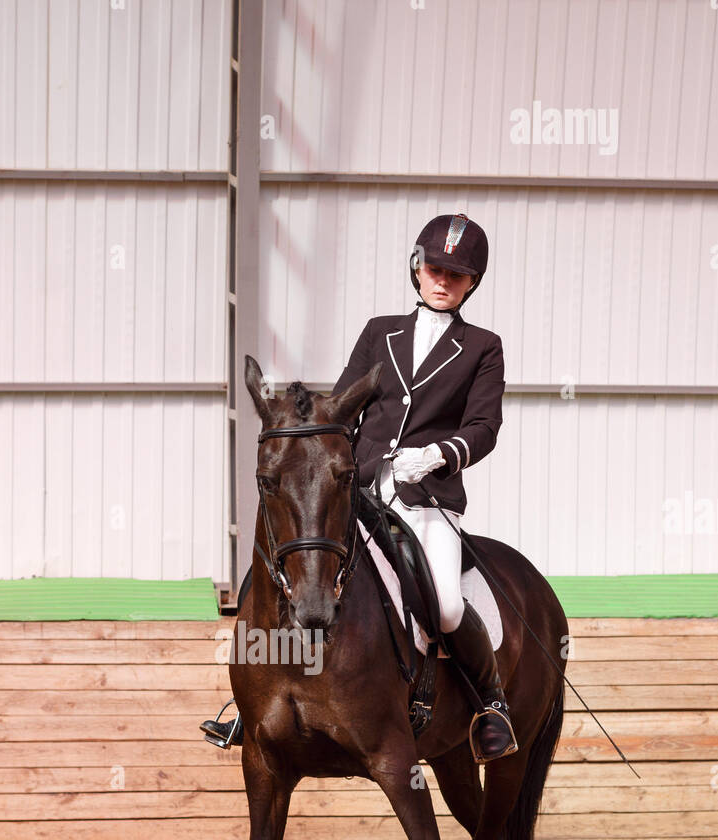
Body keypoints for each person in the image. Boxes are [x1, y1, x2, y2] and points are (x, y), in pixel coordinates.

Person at [201, 212, 517, 762]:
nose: (443, 281)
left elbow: (484, 428)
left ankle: (491, 705)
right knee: (281, 565)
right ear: (417, 270)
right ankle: (250, 704)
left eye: (457, 275)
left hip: (427, 501)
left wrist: (440, 455)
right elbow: (345, 403)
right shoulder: (380, 332)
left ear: (472, 283)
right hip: (362, 492)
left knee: (443, 605)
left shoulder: (483, 347)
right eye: (435, 269)